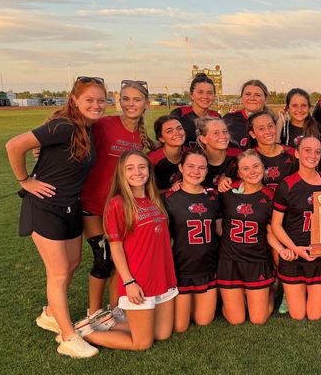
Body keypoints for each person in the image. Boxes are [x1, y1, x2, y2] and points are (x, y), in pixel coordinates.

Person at [5, 76, 107, 358]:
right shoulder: (64, 125)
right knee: (59, 271)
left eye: (101, 100)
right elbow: (14, 145)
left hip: (70, 206)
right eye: (90, 100)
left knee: (72, 262)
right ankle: (68, 337)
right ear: (74, 100)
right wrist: (25, 179)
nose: (96, 105)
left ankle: (51, 313)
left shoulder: (88, 128)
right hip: (45, 207)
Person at [84, 151, 177, 351]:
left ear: (149, 171)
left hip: (163, 277)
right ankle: (83, 333)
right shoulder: (118, 203)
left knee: (162, 334)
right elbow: (115, 247)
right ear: (121, 174)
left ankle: (108, 323)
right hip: (139, 280)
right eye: (130, 168)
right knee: (142, 343)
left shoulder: (155, 199)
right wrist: (129, 282)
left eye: (142, 167)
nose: (137, 172)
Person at [80, 79, 152, 316]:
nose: (131, 104)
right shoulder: (103, 125)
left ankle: (115, 308)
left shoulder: (142, 139)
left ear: (146, 104)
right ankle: (94, 311)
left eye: (137, 99)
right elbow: (72, 133)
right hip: (94, 204)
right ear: (119, 100)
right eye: (126, 98)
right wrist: (44, 147)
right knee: (103, 258)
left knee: (119, 259)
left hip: (121, 208)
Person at [271, 136, 321, 321]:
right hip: (295, 254)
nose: (313, 155)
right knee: (298, 315)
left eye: (317, 151)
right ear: (297, 153)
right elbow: (276, 225)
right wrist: (293, 249)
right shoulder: (287, 184)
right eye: (307, 150)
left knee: (315, 315)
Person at [218, 150, 286, 325]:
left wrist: (280, 250)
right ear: (239, 173)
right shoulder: (227, 191)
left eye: (256, 166)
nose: (252, 171)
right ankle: (238, 296)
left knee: (258, 319)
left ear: (264, 168)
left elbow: (271, 231)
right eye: (246, 169)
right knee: (236, 320)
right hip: (230, 261)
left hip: (257, 261)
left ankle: (268, 290)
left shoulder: (271, 196)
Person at [163, 149, 219, 333]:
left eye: (201, 168)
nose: (196, 172)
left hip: (207, 268)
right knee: (180, 327)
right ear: (180, 167)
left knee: (203, 321)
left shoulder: (213, 196)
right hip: (181, 269)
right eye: (191, 166)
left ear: (207, 170)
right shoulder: (168, 199)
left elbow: (220, 230)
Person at [247, 110, 296, 193]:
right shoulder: (247, 158)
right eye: (261, 128)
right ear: (252, 134)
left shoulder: (293, 154)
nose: (268, 131)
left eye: (270, 126)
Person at [171, 73, 220, 147]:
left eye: (209, 93)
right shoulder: (179, 114)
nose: (205, 96)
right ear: (191, 95)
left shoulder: (216, 117)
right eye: (200, 92)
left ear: (214, 96)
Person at [196, 116, 240, 189]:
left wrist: (231, 182)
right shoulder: (194, 160)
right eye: (216, 133)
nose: (223, 136)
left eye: (225, 131)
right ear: (203, 139)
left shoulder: (238, 156)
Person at [223, 79, 268, 148]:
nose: (252, 98)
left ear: (265, 99)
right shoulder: (229, 119)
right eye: (248, 94)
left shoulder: (273, 122)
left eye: (257, 95)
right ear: (242, 97)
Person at [148, 116, 186, 192]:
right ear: (161, 138)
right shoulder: (152, 160)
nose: (177, 133)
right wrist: (170, 190)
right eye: (169, 131)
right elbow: (146, 193)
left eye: (179, 128)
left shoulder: (190, 154)